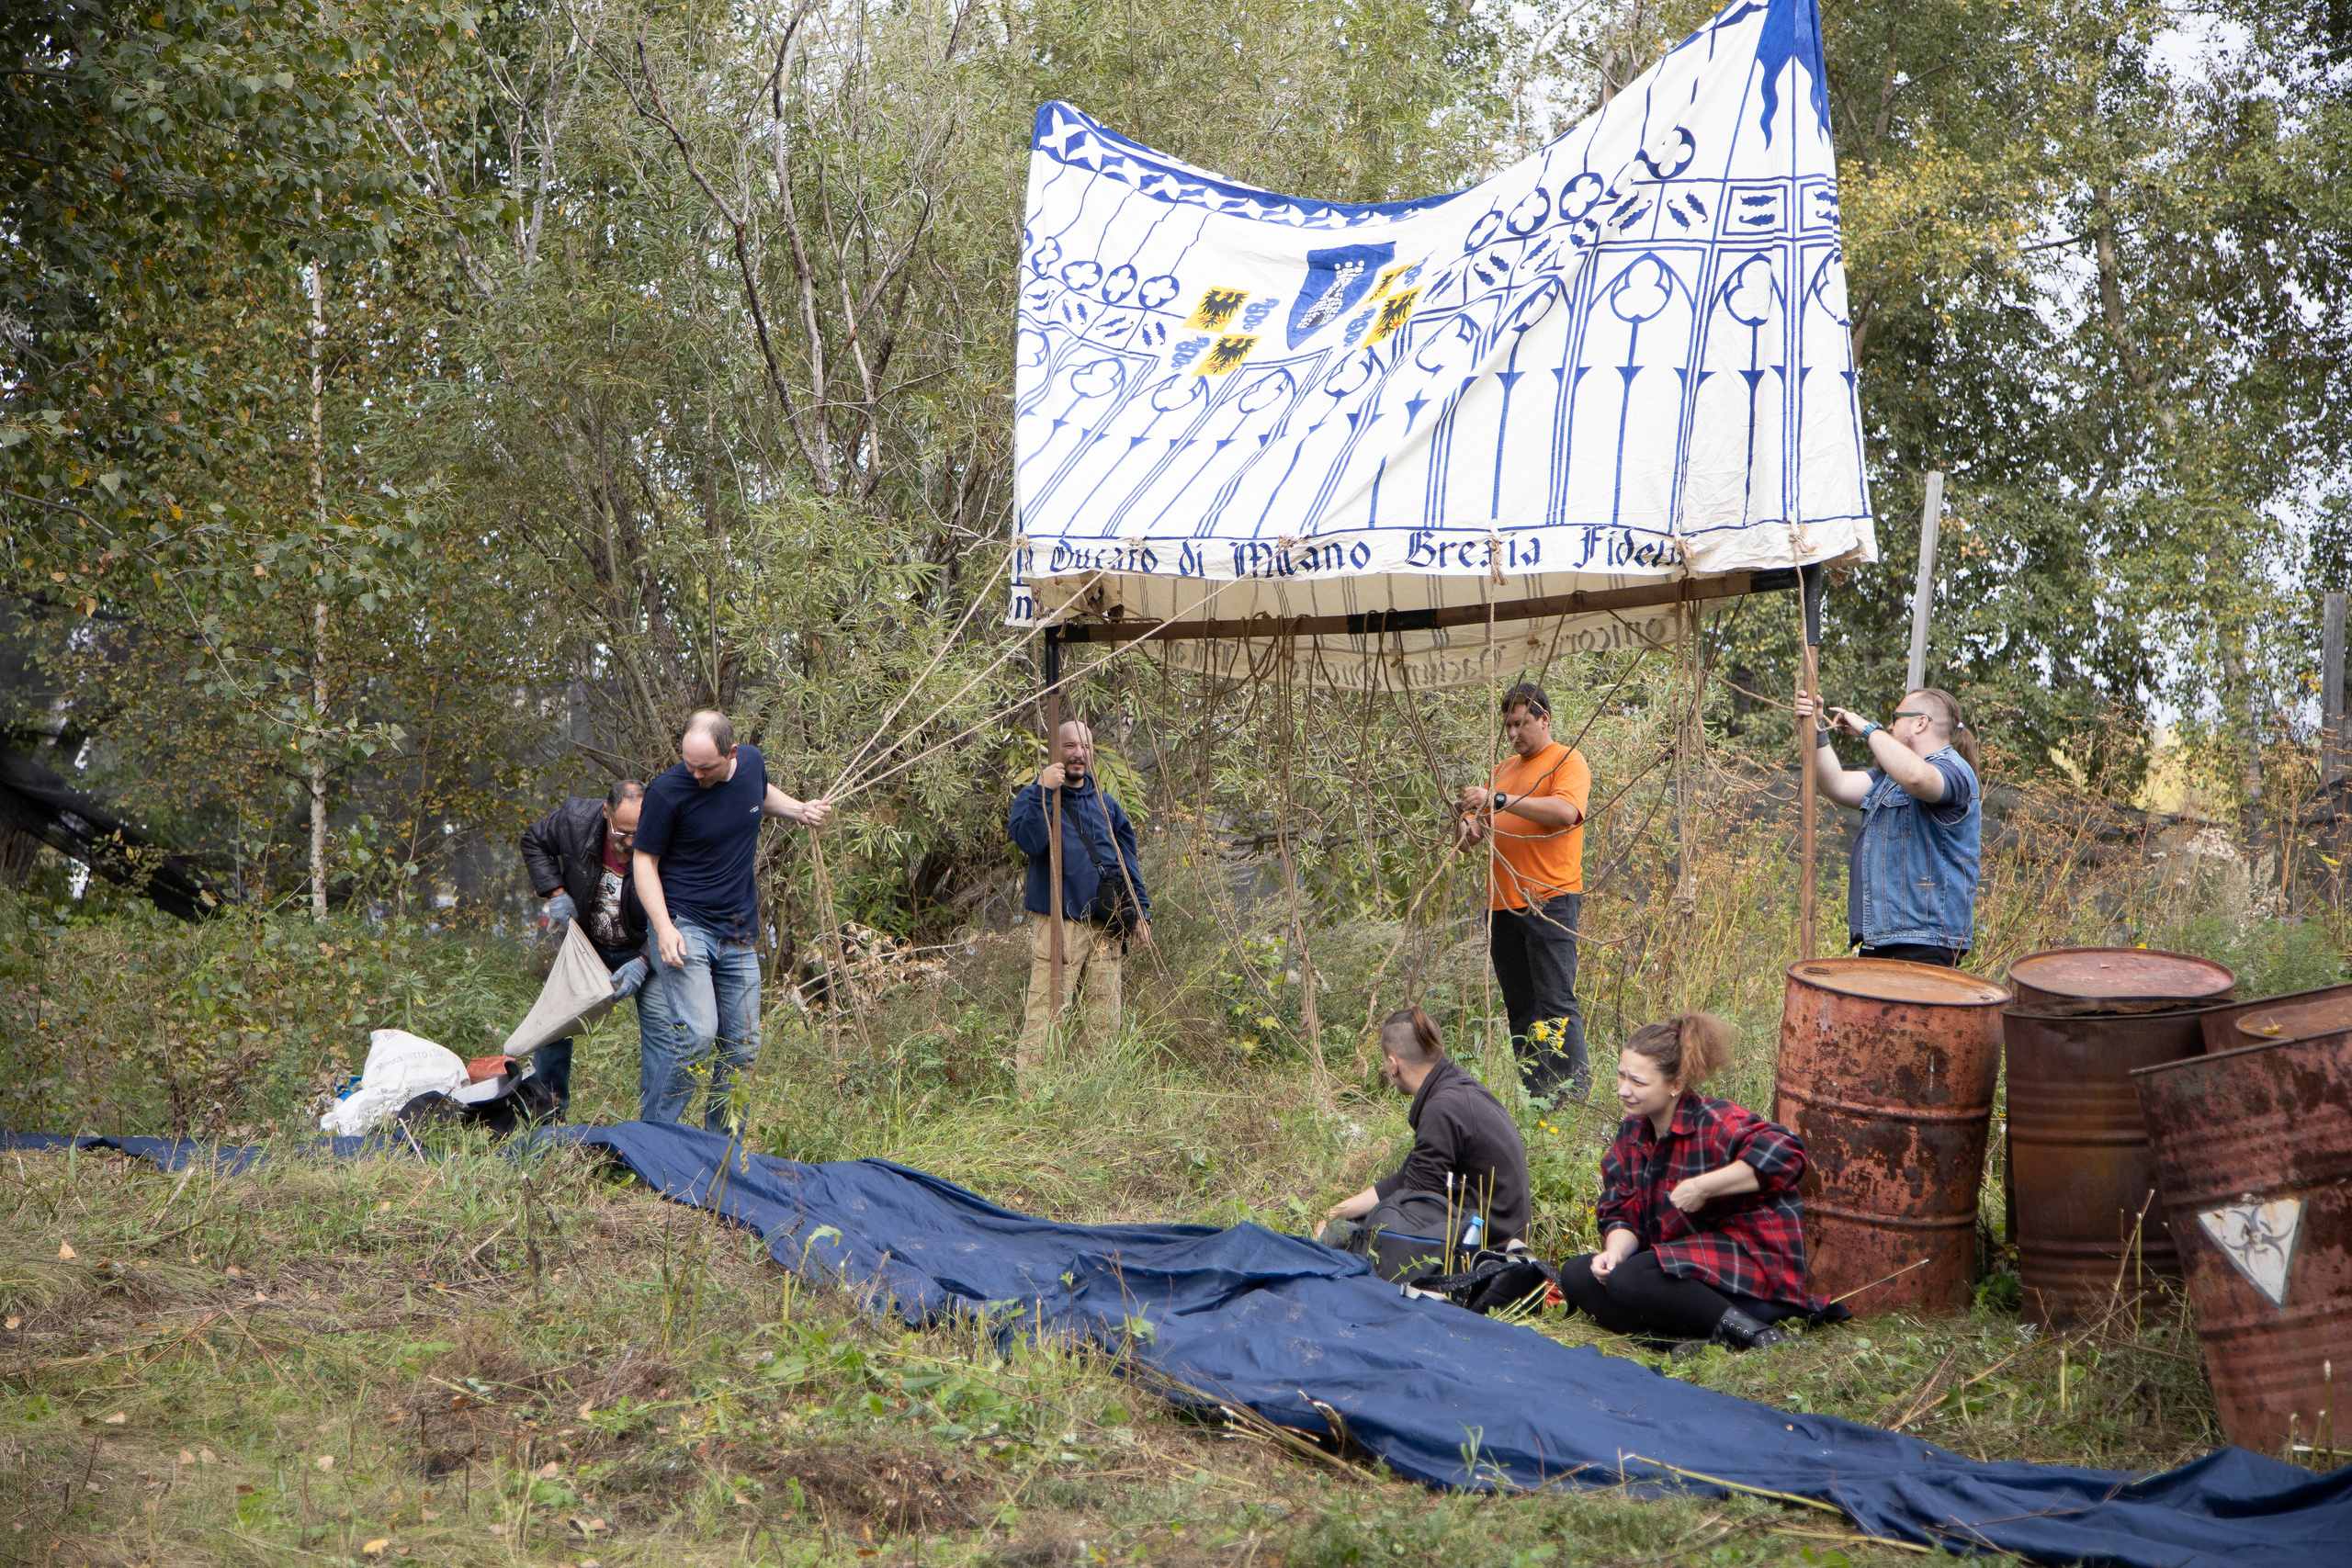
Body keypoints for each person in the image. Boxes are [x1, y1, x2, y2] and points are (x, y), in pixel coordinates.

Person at [1559, 1013, 1828, 1352]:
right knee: (1580, 1274)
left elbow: (1787, 1152)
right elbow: (1620, 1209)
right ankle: (1679, 1343)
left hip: (1747, 1271)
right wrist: (1614, 1253)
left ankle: (1759, 1334)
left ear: (1675, 1084)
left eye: (1638, 1082)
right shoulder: (1631, 1134)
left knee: (1634, 1277)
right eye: (1621, 1075)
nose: (1623, 1090)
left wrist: (1704, 1187)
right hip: (1677, 1271)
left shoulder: (1716, 1121)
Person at [631, 709, 831, 1131]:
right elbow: (644, 862)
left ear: (733, 753)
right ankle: (652, 1136)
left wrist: (799, 809)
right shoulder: (667, 792)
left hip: (738, 929)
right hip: (685, 922)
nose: (696, 773)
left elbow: (757, 792)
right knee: (698, 1035)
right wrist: (664, 927)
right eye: (689, 763)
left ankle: (720, 1149)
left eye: (705, 767)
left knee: (742, 1047)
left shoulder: (752, 763)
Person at [1455, 682, 1591, 1100]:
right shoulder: (1503, 768)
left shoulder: (1567, 760)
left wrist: (1496, 799)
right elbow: (1471, 838)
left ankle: (1573, 1102)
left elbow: (1566, 813)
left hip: (1550, 900)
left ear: (1543, 718)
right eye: (1508, 726)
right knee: (1521, 1008)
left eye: (1520, 723)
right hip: (1502, 906)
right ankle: (1540, 1099)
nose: (1513, 733)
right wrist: (1465, 823)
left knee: (1556, 1006)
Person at [1793, 686, 1983, 966]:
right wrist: (1817, 729)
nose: (1891, 726)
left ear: (1920, 722)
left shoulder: (1954, 771)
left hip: (1924, 943)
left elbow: (1917, 777)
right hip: (1884, 938)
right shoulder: (1890, 778)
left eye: (1896, 718)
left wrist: (1869, 729)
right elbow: (1836, 784)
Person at [1008, 719, 1151, 1077]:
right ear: (1055, 750)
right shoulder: (1032, 797)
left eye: (1085, 747)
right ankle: (1032, 1096)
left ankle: (1091, 1099)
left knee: (1104, 1021)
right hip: (1059, 923)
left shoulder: (1107, 805)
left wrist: (1141, 914)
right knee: (1046, 1014)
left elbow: (1126, 860)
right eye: (1070, 746)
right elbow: (1029, 842)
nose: (1078, 754)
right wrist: (1044, 791)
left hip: (1106, 925)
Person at [1322, 1004, 1531, 1248]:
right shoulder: (1455, 1087)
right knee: (1346, 1222)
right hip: (1501, 1233)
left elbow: (1413, 1204)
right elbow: (1409, 1179)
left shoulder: (1442, 1108)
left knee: (1338, 1238)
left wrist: (1337, 1229)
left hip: (1487, 1250)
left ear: (1392, 1064)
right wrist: (1339, 1211)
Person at [517, 779, 655, 1111]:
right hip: (587, 943)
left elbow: (683, 904)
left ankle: (653, 1127)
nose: (631, 842)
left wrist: (647, 960)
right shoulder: (575, 819)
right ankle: (547, 1112)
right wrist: (556, 892)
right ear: (606, 812)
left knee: (661, 1032)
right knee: (554, 1023)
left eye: (639, 832)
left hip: (641, 946)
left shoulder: (667, 831)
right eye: (622, 833)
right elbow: (533, 840)